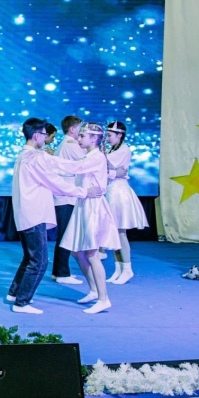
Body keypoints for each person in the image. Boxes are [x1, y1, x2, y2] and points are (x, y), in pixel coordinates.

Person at [8, 118, 104, 314]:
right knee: (39, 261)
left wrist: (83, 164)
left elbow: (60, 164)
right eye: (45, 135)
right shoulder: (34, 158)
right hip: (33, 213)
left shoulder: (29, 155)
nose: (46, 138)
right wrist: (83, 192)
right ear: (37, 135)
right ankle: (21, 302)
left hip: (28, 212)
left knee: (30, 257)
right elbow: (55, 182)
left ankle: (14, 293)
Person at [60, 123, 122, 314]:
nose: (78, 139)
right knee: (76, 251)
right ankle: (94, 290)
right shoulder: (88, 156)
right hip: (83, 205)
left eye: (82, 136)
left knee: (92, 253)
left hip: (93, 208)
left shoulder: (96, 157)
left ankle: (104, 298)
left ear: (94, 138)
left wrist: (47, 160)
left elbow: (74, 167)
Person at [104, 121, 149, 284]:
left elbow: (104, 165)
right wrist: (113, 172)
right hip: (111, 190)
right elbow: (108, 170)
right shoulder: (112, 149)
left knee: (120, 232)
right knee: (114, 233)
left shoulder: (123, 150)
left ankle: (127, 268)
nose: (107, 138)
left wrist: (111, 170)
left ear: (119, 135)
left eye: (110, 135)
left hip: (119, 192)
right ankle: (118, 268)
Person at [50, 115, 85, 285]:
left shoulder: (67, 144)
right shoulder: (71, 145)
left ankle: (59, 271)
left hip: (65, 195)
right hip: (66, 196)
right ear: (72, 129)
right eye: (80, 129)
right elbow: (87, 163)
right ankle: (62, 273)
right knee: (65, 235)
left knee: (64, 234)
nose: (83, 133)